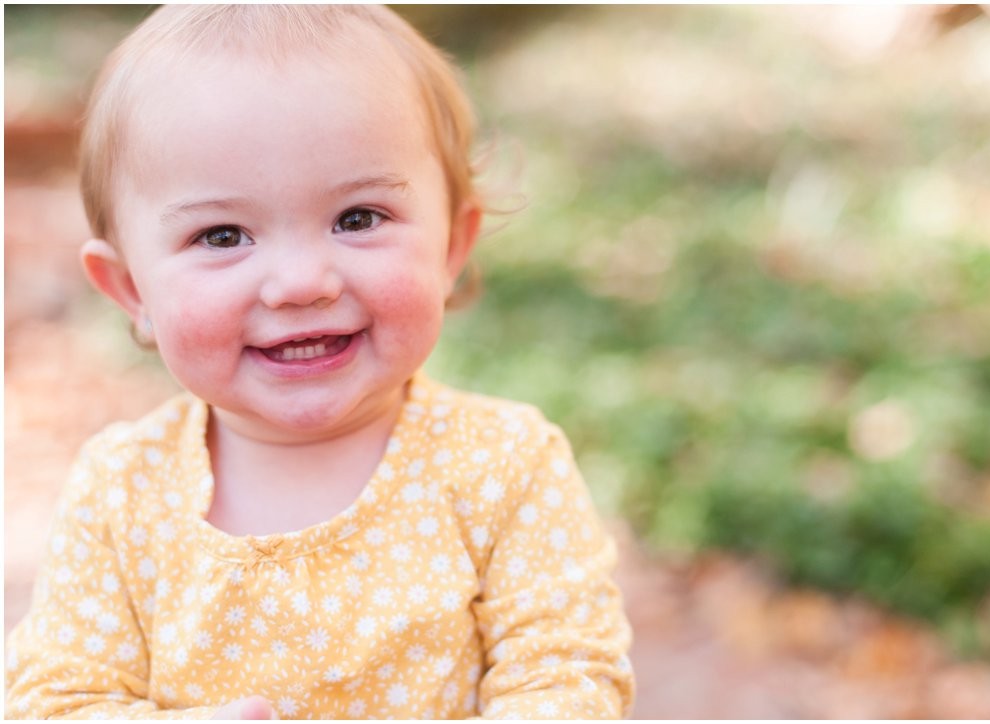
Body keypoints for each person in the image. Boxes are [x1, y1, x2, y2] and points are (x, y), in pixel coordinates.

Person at [4, 5, 634, 719]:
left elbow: (568, 676)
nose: (302, 282)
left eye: (358, 218)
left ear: (451, 249)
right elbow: (57, 702)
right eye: (222, 235)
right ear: (131, 290)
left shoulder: (502, 467)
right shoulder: (121, 491)